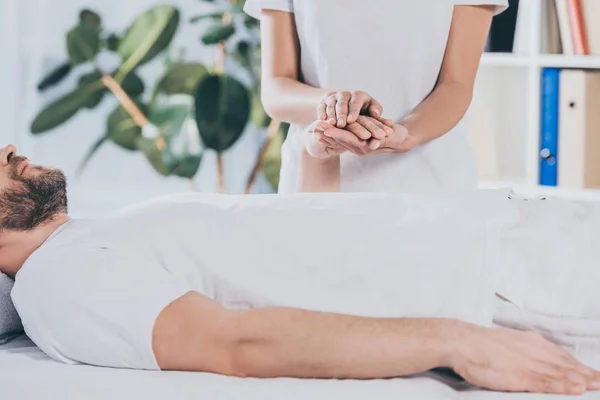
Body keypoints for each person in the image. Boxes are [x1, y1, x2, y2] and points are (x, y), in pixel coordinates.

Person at [1, 143, 600, 396]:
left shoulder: (87, 240)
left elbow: (292, 258)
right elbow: (235, 343)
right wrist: (458, 340)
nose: (8, 150)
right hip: (511, 279)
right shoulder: (58, 283)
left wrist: (319, 155)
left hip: (510, 231)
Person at [245, 0, 506, 194]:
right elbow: (276, 88)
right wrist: (335, 105)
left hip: (430, 184)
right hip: (315, 182)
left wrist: (406, 133)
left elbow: (457, 84)